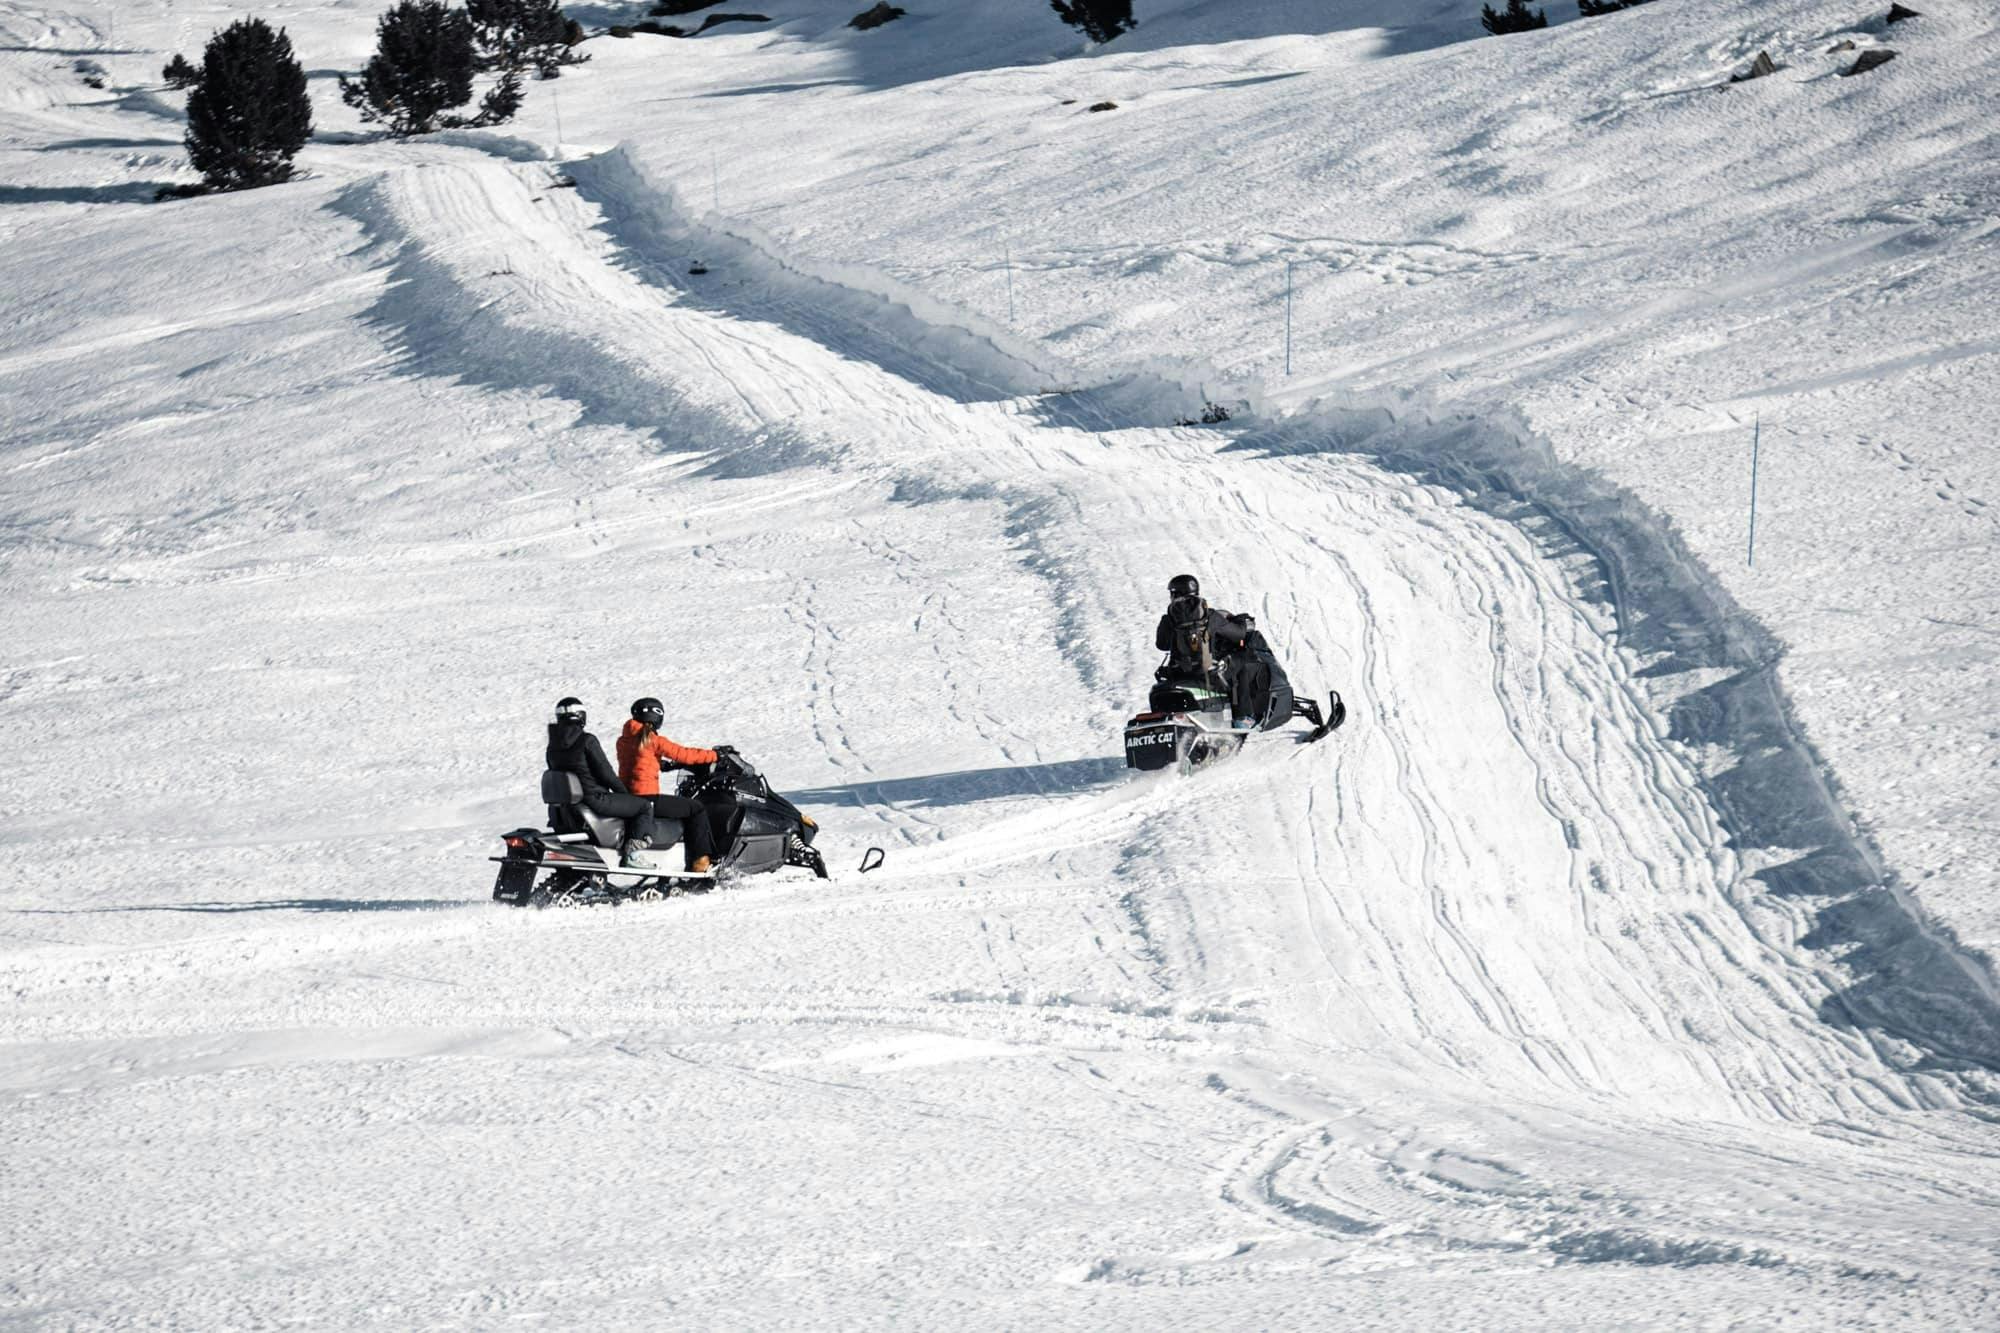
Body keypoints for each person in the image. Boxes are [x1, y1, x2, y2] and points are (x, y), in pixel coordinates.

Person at [546, 697, 657, 867]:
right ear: (581, 716)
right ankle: (633, 855)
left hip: (567, 806)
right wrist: (624, 793)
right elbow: (605, 773)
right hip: (594, 799)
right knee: (643, 807)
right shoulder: (586, 740)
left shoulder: (552, 746)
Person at [617, 697, 722, 874]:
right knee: (696, 809)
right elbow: (685, 755)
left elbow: (638, 761)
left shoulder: (623, 739)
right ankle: (700, 862)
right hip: (647, 797)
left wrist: (662, 764)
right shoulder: (652, 739)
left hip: (629, 797)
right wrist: (715, 755)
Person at [1154, 573, 1269, 729]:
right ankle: (1242, 717)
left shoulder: (1168, 618)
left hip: (1178, 672)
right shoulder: (1210, 615)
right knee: (1241, 660)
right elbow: (1238, 634)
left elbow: (1161, 645)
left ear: (1174, 593)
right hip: (1206, 671)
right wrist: (1242, 622)